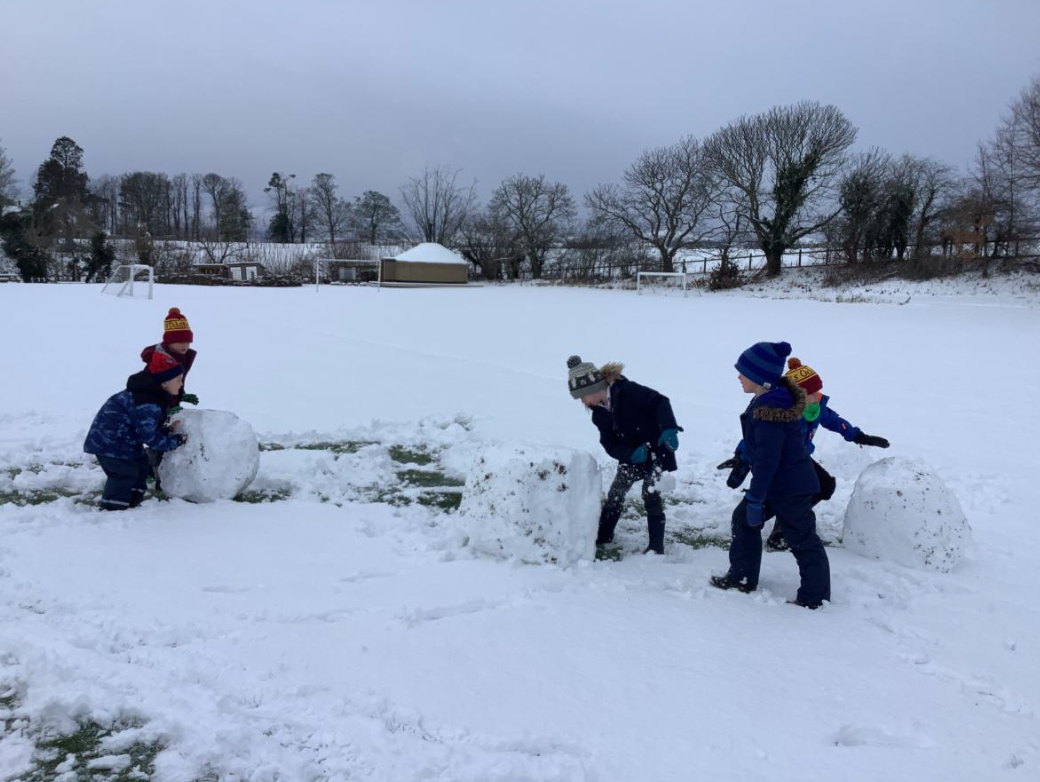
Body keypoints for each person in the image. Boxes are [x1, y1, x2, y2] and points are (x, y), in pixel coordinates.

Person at [718, 356, 890, 552]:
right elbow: (756, 437)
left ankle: (783, 524)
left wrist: (859, 436)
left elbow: (835, 421)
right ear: (797, 394)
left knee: (823, 486)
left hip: (798, 460)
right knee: (778, 498)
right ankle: (765, 526)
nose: (817, 397)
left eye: (819, 392)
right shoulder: (782, 411)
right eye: (812, 393)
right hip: (777, 464)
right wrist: (741, 457)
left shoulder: (816, 408)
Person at [709, 341, 830, 608]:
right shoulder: (769, 400)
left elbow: (768, 461)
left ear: (760, 377)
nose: (739, 376)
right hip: (780, 483)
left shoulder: (771, 412)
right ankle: (741, 578)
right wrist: (742, 461)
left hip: (790, 487)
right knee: (743, 520)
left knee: (801, 539)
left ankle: (815, 597)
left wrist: (756, 497)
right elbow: (762, 451)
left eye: (743, 372)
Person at [567, 355, 682, 555]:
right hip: (633, 457)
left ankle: (656, 546)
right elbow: (609, 443)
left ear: (592, 387)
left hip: (656, 451)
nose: (583, 401)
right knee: (616, 494)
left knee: (651, 493)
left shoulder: (627, 391)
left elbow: (659, 402)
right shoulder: (598, 414)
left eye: (583, 396)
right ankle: (603, 536)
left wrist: (669, 428)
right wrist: (630, 454)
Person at [84, 352, 187, 510]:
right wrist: (176, 441)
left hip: (126, 443)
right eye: (178, 380)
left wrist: (166, 430)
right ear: (165, 383)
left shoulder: (152, 397)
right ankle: (113, 508)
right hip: (110, 444)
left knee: (141, 467)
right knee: (124, 474)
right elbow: (151, 438)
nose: (181, 384)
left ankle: (132, 501)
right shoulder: (146, 402)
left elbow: (146, 427)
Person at [141, 307, 198, 409]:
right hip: (154, 410)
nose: (185, 346)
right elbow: (150, 391)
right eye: (180, 342)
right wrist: (167, 408)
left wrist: (180, 395)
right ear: (169, 342)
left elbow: (173, 383)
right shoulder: (159, 361)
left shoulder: (181, 357)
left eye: (188, 342)